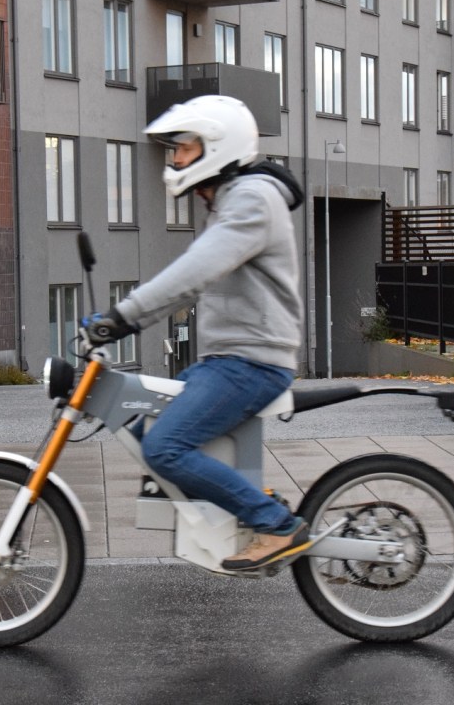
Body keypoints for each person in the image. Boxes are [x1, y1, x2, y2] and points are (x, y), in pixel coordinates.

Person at [86, 95, 309, 571]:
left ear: (217, 147)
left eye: (185, 148)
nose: (176, 159)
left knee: (164, 447)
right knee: (144, 426)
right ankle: (245, 504)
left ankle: (275, 523)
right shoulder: (231, 202)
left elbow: (193, 272)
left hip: (251, 361)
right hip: (228, 359)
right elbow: (190, 282)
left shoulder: (252, 200)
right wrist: (124, 321)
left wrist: (122, 316)